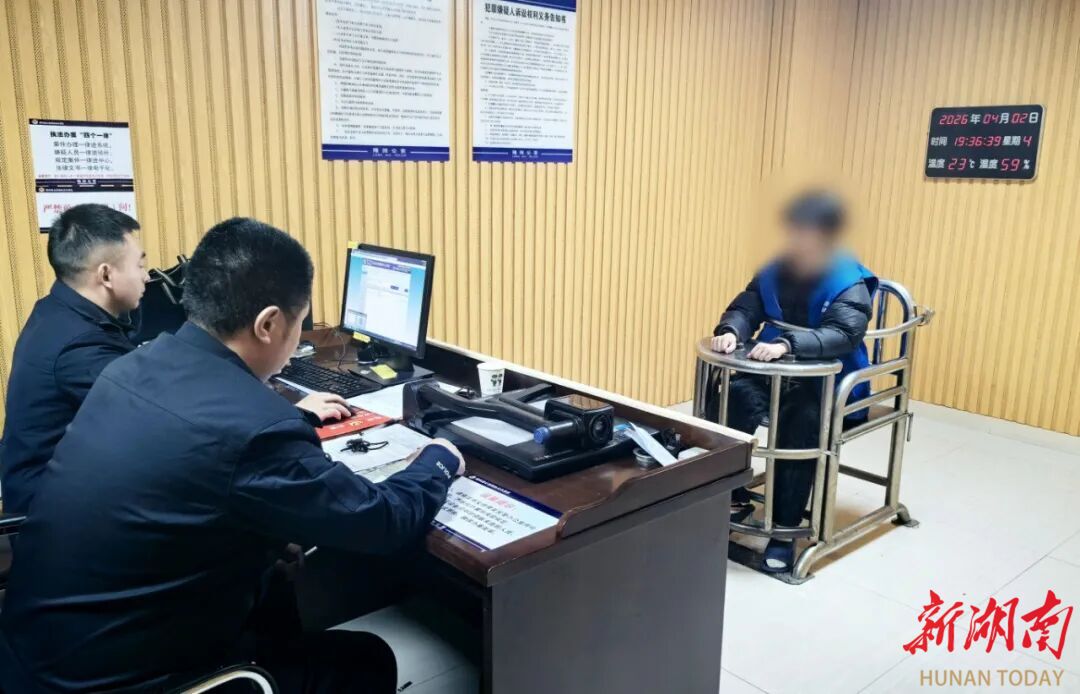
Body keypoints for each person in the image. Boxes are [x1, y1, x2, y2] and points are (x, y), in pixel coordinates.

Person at [0, 218, 465, 693]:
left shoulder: (135, 366)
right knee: (365, 660)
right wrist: (439, 460)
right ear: (269, 324)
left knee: (274, 585)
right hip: (106, 681)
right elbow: (381, 521)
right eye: (300, 322)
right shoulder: (257, 430)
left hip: (35, 653)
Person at [709, 191, 876, 574]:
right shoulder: (774, 269)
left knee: (799, 424)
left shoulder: (847, 279)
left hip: (829, 383)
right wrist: (731, 330)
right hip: (775, 374)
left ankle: (785, 531)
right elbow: (747, 306)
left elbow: (844, 333)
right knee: (731, 398)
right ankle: (728, 496)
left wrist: (787, 344)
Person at [0, 204, 149, 515]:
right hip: (52, 513)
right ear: (106, 274)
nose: (147, 276)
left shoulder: (56, 310)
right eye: (139, 265)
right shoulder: (80, 345)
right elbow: (156, 413)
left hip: (50, 489)